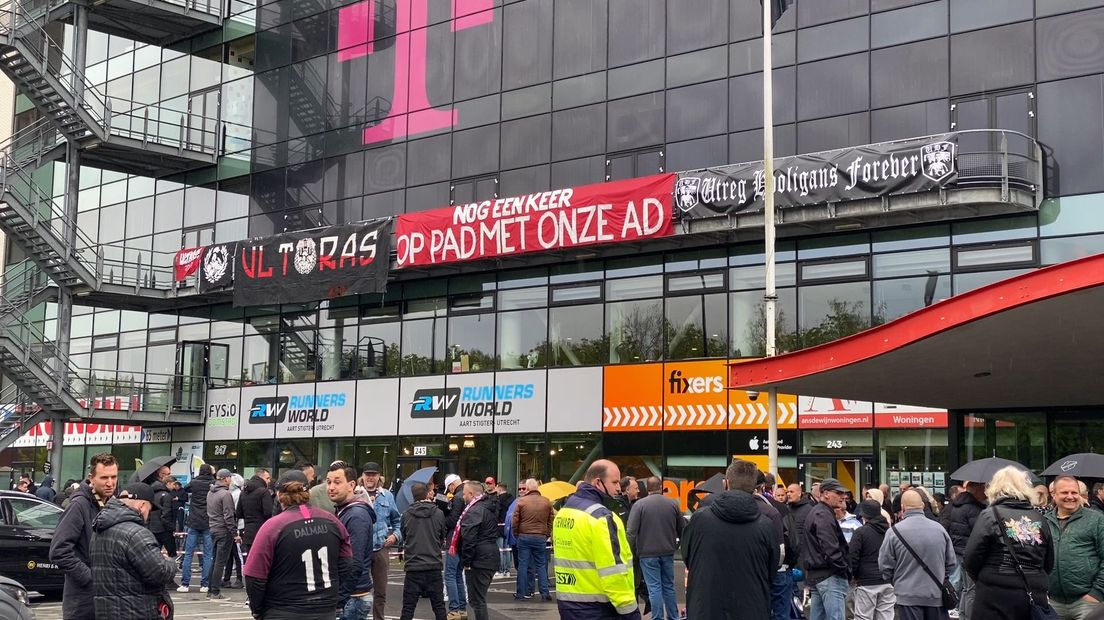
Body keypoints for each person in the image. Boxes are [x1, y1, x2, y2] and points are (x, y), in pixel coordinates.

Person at [243, 470, 354, 620]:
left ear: (279, 495)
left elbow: (254, 575)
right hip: (324, 609)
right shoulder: (333, 521)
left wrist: (257, 609)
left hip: (282, 609)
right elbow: (346, 563)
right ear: (308, 492)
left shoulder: (273, 527)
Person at [680, 459, 778, 620]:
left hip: (706, 607)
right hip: (752, 608)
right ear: (755, 488)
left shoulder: (699, 519)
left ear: (726, 484)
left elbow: (687, 556)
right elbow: (771, 569)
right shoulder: (766, 525)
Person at [963, 466, 1054, 620]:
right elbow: (1049, 561)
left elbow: (971, 558)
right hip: (1032, 591)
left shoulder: (989, 516)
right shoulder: (1039, 518)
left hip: (995, 591)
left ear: (994, 488)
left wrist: (986, 578)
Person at [552, 460, 639, 619]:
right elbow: (614, 572)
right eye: (614, 482)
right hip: (598, 608)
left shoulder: (564, 513)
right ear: (598, 482)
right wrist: (630, 612)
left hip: (567, 603)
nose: (618, 488)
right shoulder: (602, 517)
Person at [90, 482, 177, 620]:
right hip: (136, 611)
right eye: (149, 509)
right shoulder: (136, 534)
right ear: (142, 505)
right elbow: (159, 573)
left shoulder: (100, 529)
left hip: (106, 611)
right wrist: (170, 562)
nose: (148, 515)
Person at [50, 453, 118, 620]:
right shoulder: (79, 505)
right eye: (104, 477)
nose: (110, 483)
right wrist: (91, 578)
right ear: (91, 478)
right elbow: (59, 551)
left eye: (113, 477)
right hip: (83, 604)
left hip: (107, 600)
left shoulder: (113, 504)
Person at [879, 490, 956, 620]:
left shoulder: (894, 532)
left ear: (903, 507)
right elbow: (951, 563)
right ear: (922, 506)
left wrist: (898, 581)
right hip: (935, 595)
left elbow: (885, 566)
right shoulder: (939, 529)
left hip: (907, 596)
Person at [1045, 475, 1104, 620]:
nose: (1070, 497)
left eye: (1074, 492)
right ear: (1053, 494)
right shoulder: (1044, 521)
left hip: (1088, 603)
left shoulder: (1096, 520)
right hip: (1053, 602)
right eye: (1065, 493)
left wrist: (1097, 593)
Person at [626, 476, 683, 619]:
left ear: (648, 488)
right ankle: (673, 616)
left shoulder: (639, 505)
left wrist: (628, 552)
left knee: (654, 588)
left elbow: (631, 532)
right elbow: (682, 528)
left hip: (647, 553)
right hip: (668, 551)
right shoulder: (673, 504)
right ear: (661, 486)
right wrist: (677, 545)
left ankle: (657, 617)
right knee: (669, 586)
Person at [328, 462, 378, 620]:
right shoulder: (344, 511)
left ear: (351, 485)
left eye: (337, 482)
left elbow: (354, 563)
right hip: (350, 596)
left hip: (352, 598)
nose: (331, 487)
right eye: (328, 482)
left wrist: (338, 600)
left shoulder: (356, 515)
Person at [804, 477, 851, 620]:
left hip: (820, 574)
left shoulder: (820, 511)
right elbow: (830, 548)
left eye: (843, 493)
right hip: (829, 575)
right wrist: (843, 568)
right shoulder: (822, 514)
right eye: (838, 493)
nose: (843, 496)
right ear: (825, 494)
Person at [400, 482, 448, 620]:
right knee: (439, 607)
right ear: (427, 494)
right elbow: (441, 536)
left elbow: (404, 536)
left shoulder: (406, 515)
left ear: (412, 496)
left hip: (413, 565)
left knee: (408, 607)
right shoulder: (438, 514)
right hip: (433, 564)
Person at [360, 462, 402, 620]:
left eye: (373, 474)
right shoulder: (355, 494)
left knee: (380, 591)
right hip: (360, 549)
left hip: (381, 548)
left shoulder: (388, 496)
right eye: (367, 474)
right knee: (357, 590)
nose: (370, 477)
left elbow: (398, 522)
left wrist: (395, 536)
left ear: (379, 477)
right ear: (362, 476)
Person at [940, 481, 985, 619]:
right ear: (976, 491)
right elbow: (979, 531)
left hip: (958, 549)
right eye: (983, 489)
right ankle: (967, 615)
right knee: (971, 588)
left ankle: (960, 612)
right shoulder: (974, 509)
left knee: (964, 586)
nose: (985, 492)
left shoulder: (957, 506)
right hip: (969, 551)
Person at [849, 500, 894, 620]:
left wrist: (853, 576)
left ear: (864, 514)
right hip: (888, 580)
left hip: (866, 581)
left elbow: (853, 557)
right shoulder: (890, 532)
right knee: (886, 617)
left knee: (863, 617)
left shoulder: (861, 532)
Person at [511, 478, 554, 601]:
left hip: (524, 536)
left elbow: (515, 520)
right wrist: (546, 533)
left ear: (528, 489)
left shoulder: (522, 501)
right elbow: (551, 519)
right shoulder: (546, 502)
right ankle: (545, 593)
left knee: (523, 565)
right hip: (540, 536)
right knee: (541, 565)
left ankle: (521, 593)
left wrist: (516, 533)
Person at [179, 464, 215, 593]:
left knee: (188, 554)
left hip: (193, 521)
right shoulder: (213, 483)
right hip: (208, 521)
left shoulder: (194, 483)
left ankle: (185, 584)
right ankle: (205, 584)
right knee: (208, 554)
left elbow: (184, 489)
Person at [205, 469, 239, 601]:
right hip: (224, 530)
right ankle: (215, 591)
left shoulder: (210, 492)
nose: (231, 480)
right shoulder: (225, 494)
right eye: (230, 477)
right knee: (220, 562)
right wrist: (235, 533)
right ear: (225, 479)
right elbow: (229, 516)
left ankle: (210, 588)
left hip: (213, 528)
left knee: (214, 560)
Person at [442, 473, 468, 620]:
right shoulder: (465, 495)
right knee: (458, 575)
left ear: (452, 485)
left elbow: (453, 521)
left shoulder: (457, 497)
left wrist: (443, 514)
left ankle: (454, 610)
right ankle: (462, 609)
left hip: (454, 540)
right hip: (465, 541)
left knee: (450, 575)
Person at [238, 468, 273, 561]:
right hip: (262, 530)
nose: (269, 481)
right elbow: (268, 512)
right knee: (262, 560)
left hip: (248, 532)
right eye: (267, 478)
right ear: (260, 478)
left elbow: (239, 513)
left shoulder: (243, 492)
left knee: (251, 559)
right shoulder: (264, 492)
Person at [150, 474, 178, 558]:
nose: (174, 487)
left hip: (153, 528)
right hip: (164, 529)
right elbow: (166, 514)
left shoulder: (152, 494)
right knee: (172, 554)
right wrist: (171, 527)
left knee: (154, 555)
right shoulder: (167, 496)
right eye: (173, 484)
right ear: (168, 483)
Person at [494, 482, 514, 578]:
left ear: (499, 488)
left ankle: (500, 570)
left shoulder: (498, 500)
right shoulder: (512, 499)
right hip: (508, 526)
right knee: (507, 549)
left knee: (500, 549)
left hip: (499, 526)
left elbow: (496, 513)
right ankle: (507, 570)